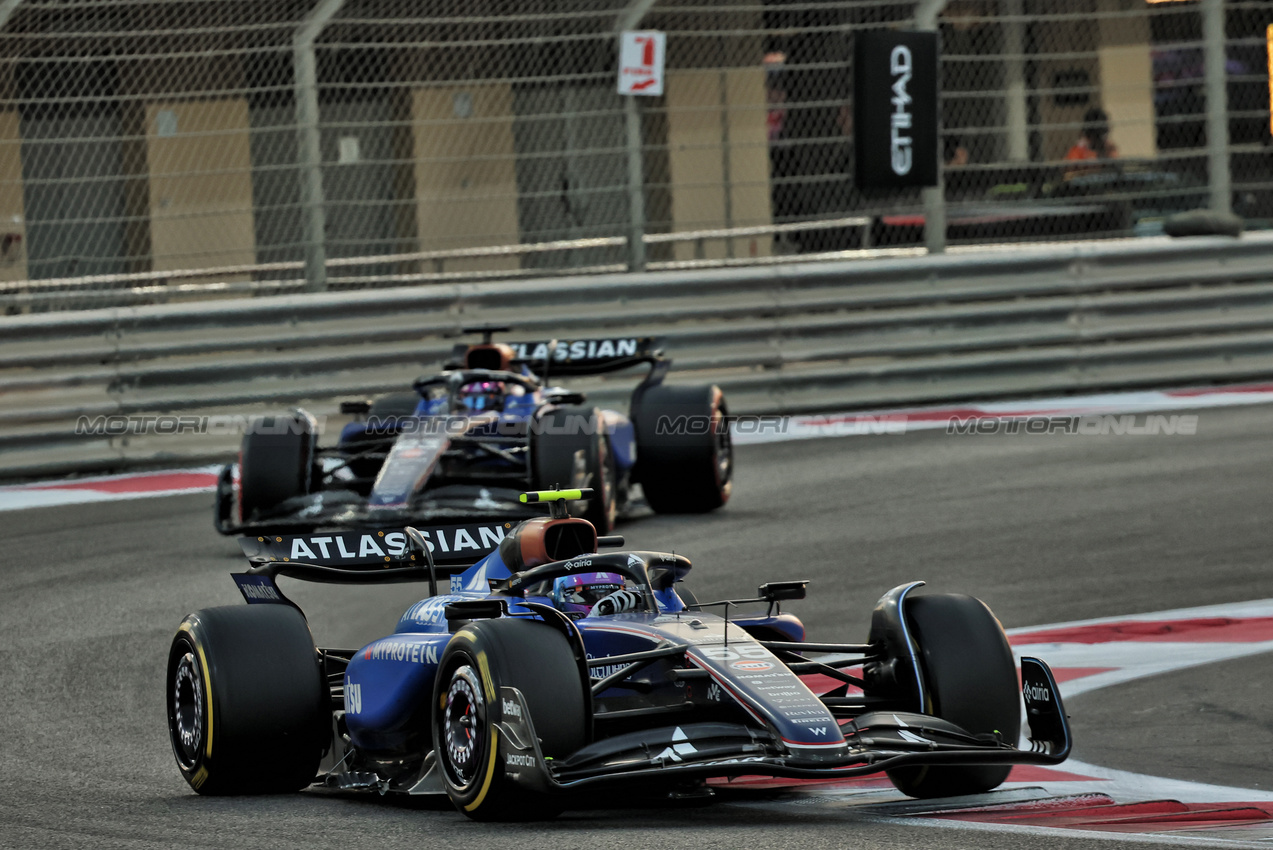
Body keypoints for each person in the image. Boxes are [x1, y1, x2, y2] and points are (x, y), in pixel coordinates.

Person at [551, 572, 641, 617]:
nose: (603, 601)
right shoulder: (551, 631)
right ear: (563, 595)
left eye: (610, 593)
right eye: (589, 596)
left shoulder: (632, 599)